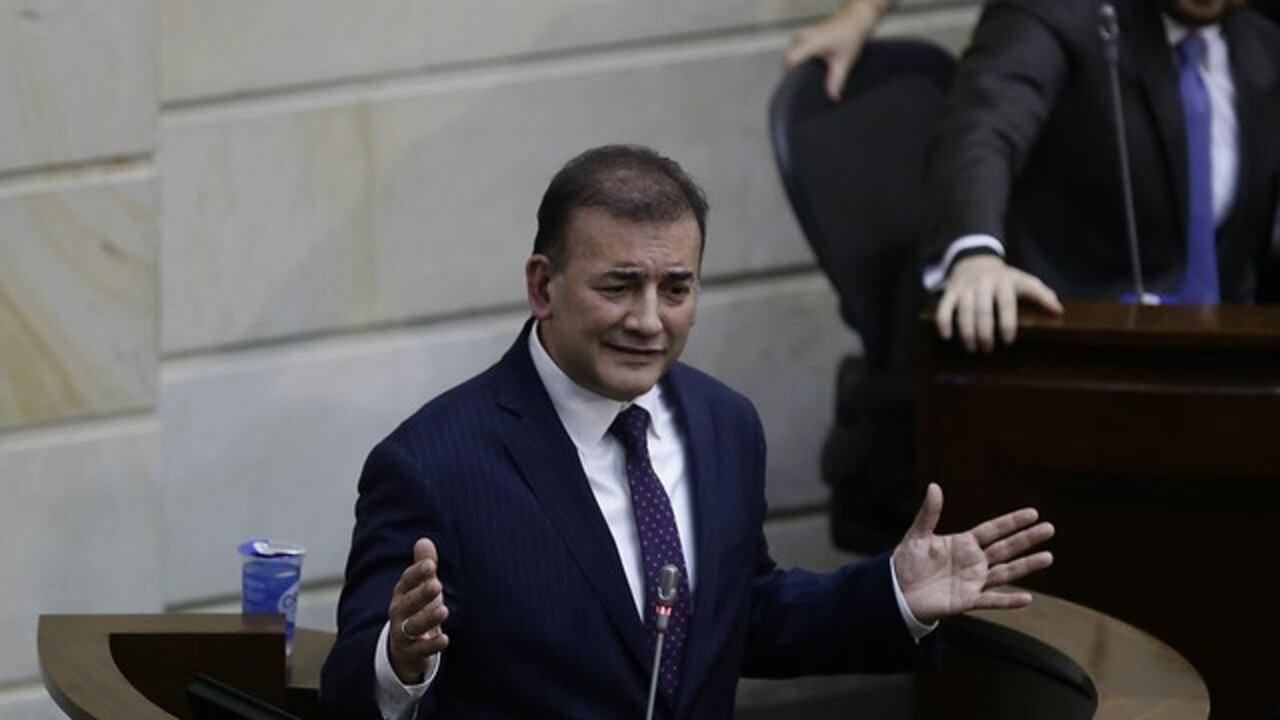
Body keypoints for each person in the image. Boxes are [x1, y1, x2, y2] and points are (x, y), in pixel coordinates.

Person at [321, 145, 1055, 719]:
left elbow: (745, 615)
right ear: (543, 286)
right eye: (619, 286)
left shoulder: (722, 424)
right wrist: (400, 661)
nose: (649, 320)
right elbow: (348, 691)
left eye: (676, 288)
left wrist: (893, 594)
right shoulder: (430, 464)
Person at [923, 0, 1280, 352]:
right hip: (1067, 346)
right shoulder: (1056, 13)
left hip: (1227, 359)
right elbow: (984, 129)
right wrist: (976, 255)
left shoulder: (1266, 47)